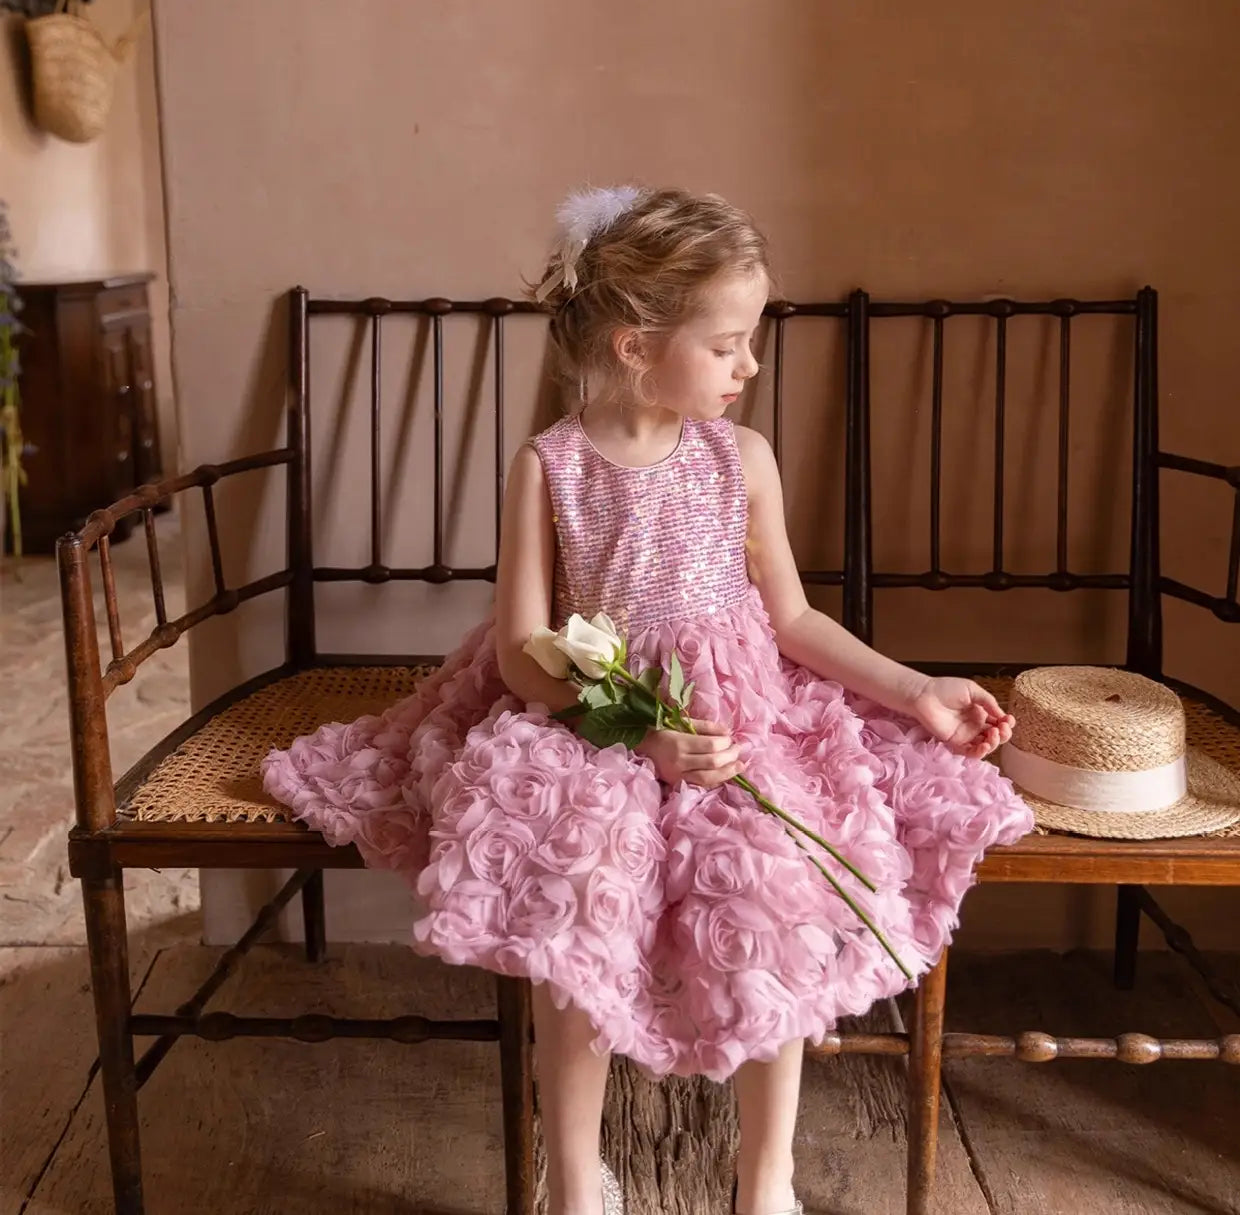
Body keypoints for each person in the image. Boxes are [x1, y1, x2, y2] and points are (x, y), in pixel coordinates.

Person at [262, 186, 1034, 1215]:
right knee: (577, 895)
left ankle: (766, 1179)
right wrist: (632, 731)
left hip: (740, 722)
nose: (749, 366)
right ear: (636, 346)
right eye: (728, 346)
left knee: (776, 888)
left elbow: (795, 621)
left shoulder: (738, 459)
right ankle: (577, 1181)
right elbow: (526, 652)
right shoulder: (551, 467)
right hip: (594, 725)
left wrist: (916, 690)